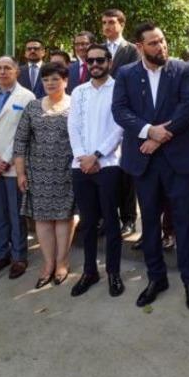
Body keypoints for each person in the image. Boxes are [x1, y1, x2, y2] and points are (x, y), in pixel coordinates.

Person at [111, 22, 189, 310]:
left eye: (162, 41)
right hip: (144, 161)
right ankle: (156, 278)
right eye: (153, 43)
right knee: (149, 223)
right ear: (139, 47)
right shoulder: (126, 74)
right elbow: (120, 110)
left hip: (178, 159)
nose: (161, 47)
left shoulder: (182, 69)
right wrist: (148, 131)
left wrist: (161, 136)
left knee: (186, 222)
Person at [68, 44, 126, 297]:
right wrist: (83, 157)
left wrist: (97, 156)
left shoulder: (120, 90)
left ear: (109, 62)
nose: (94, 65)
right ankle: (89, 271)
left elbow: (119, 128)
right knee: (88, 223)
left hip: (109, 165)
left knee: (112, 222)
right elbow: (73, 126)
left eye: (99, 60)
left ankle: (114, 272)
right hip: (81, 166)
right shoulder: (78, 91)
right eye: (89, 60)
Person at [14, 61, 75, 289]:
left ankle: (62, 262)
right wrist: (20, 172)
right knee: (42, 220)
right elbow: (20, 141)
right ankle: (48, 264)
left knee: (63, 218)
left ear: (65, 81)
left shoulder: (75, 105)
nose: (50, 83)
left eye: (55, 79)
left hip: (67, 172)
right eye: (46, 79)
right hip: (37, 173)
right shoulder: (33, 107)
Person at [0, 56, 36, 280]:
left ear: (16, 71)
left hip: (14, 165)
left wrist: (5, 158)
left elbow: (24, 132)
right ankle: (1, 254)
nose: (2, 72)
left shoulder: (27, 97)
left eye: (7, 68)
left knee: (16, 214)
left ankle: (19, 256)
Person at [102, 9, 140, 238]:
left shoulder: (132, 50)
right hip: (103, 115)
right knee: (108, 169)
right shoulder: (99, 50)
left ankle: (128, 219)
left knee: (126, 170)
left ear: (122, 24)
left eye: (111, 22)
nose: (107, 26)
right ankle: (108, 218)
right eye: (104, 23)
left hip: (126, 114)